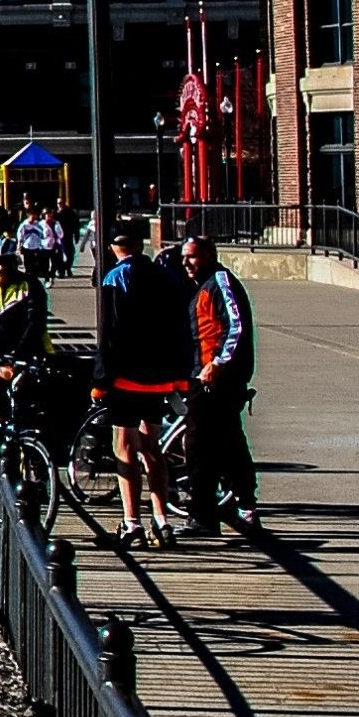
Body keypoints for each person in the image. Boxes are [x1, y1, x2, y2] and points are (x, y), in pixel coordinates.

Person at [93, 217, 197, 546]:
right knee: (152, 448)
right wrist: (180, 375)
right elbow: (183, 329)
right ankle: (162, 520)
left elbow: (109, 334)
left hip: (126, 379)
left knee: (124, 448)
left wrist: (101, 378)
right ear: (140, 246)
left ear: (112, 248)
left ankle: (131, 522)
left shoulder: (114, 278)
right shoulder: (166, 277)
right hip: (161, 378)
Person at [183, 231, 260, 533]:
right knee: (227, 442)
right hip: (204, 375)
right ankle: (238, 505)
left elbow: (235, 326)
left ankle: (204, 514)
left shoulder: (220, 282)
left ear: (209, 255)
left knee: (200, 444)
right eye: (184, 257)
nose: (186, 262)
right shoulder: (200, 286)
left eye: (192, 256)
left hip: (217, 379)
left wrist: (217, 363)